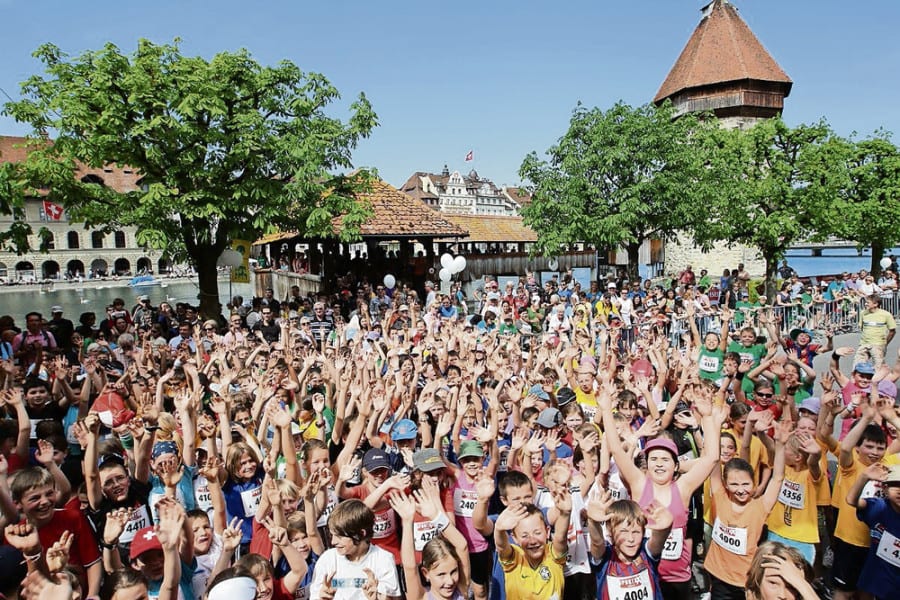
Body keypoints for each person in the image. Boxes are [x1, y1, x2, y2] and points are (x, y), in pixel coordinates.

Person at [309, 499, 401, 599]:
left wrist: (379, 598)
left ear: (361, 533)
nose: (333, 542)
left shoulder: (383, 559)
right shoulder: (327, 559)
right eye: (332, 535)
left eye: (340, 536)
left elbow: (394, 598)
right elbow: (315, 595)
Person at [856, 294, 896, 368]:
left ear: (875, 304)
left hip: (878, 345)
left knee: (879, 368)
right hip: (864, 344)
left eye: (868, 302)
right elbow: (862, 328)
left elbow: (892, 331)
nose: (865, 304)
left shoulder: (886, 315)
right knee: (858, 367)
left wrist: (885, 343)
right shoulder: (863, 313)